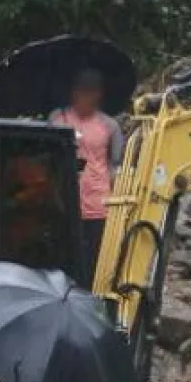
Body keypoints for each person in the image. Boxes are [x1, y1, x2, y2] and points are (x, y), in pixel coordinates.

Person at [48, 69, 124, 286]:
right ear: (73, 92)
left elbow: (115, 164)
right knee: (63, 260)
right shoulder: (58, 119)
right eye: (82, 92)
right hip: (64, 201)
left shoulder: (109, 126)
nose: (86, 98)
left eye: (91, 93)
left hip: (98, 205)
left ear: (98, 95)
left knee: (92, 263)